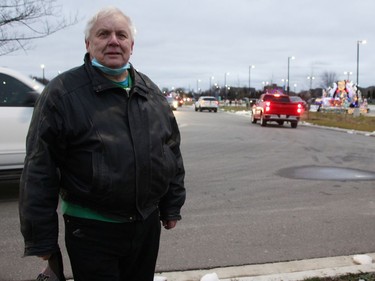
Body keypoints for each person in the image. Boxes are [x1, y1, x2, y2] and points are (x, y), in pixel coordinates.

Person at [19, 6, 186, 281]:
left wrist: (171, 205)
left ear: (131, 46)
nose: (113, 41)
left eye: (121, 35)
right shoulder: (62, 93)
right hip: (91, 229)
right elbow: (39, 168)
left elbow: (171, 151)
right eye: (103, 34)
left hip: (145, 227)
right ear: (88, 43)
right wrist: (41, 238)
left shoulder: (151, 93)